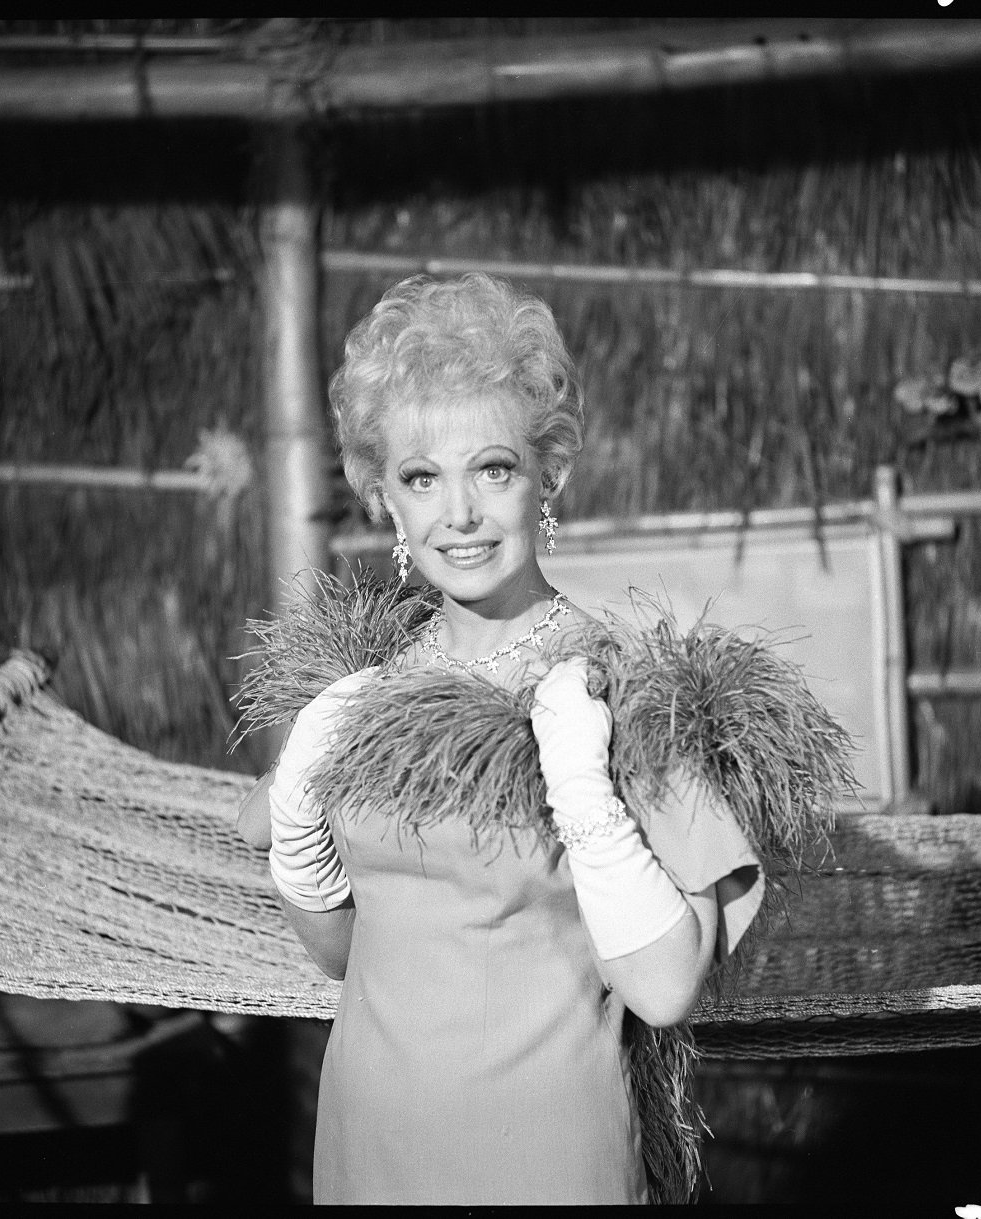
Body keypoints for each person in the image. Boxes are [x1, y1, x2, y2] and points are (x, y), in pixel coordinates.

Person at [236, 273, 769, 1205]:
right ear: (384, 502)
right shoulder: (365, 690)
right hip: (370, 1141)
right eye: (421, 477)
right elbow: (343, 955)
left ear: (546, 476)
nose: (461, 514)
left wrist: (586, 793)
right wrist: (296, 824)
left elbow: (667, 987)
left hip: (546, 1155)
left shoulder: (622, 686)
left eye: (493, 468)